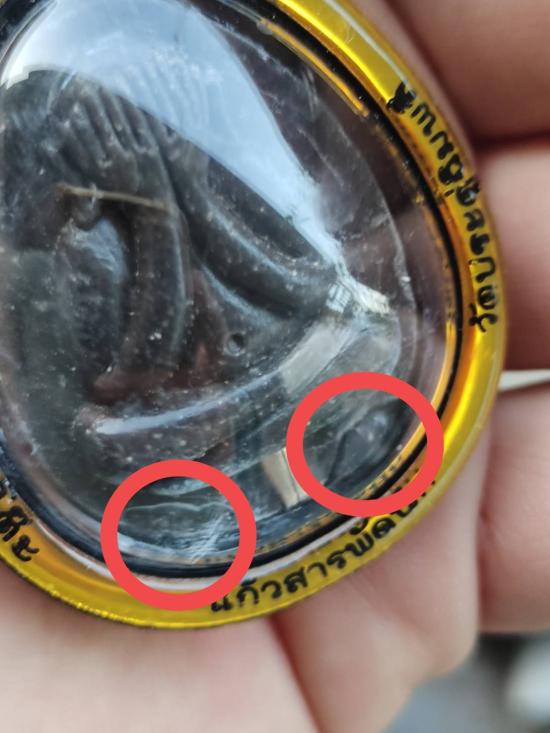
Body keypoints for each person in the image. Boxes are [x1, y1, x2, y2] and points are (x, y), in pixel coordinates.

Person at [1, 0, 549, 730]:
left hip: (312, 430)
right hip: (171, 493)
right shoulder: (69, 254)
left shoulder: (229, 186)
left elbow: (315, 296)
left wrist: (180, 191)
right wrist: (155, 211)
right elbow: (125, 399)